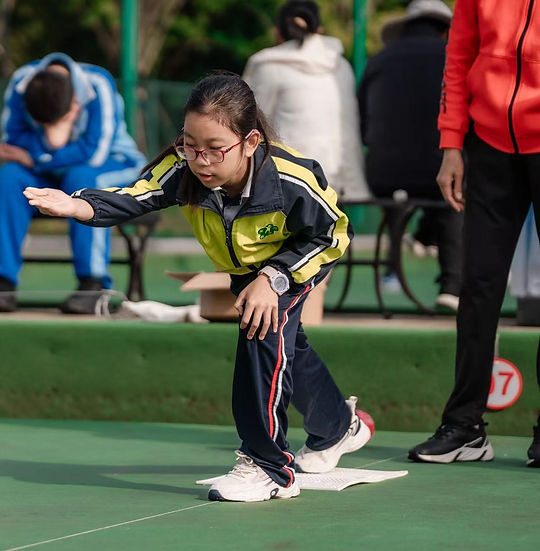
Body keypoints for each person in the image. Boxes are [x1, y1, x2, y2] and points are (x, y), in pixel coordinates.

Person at [25, 73, 369, 502]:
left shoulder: (289, 178)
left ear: (250, 141)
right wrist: (78, 204)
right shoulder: (183, 167)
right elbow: (139, 193)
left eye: (214, 149)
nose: (200, 160)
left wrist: (274, 276)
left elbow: (333, 235)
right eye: (190, 144)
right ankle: (338, 425)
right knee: (288, 346)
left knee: (261, 328)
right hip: (244, 269)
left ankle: (268, 466)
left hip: (294, 263)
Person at [409, 0, 540, 468]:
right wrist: (451, 144)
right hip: (488, 144)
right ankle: (464, 426)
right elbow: (459, 56)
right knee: (478, 285)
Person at [0, 52, 145, 314]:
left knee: (82, 179)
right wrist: (52, 143)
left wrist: (40, 152)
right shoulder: (20, 82)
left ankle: (92, 283)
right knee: (7, 178)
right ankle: (2, 283)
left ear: (74, 103)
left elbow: (93, 152)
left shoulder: (98, 85)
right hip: (49, 168)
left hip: (113, 163)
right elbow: (11, 142)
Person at [358, 0, 461, 310]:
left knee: (401, 198)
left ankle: (393, 267)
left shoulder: (379, 61)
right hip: (440, 167)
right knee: (452, 193)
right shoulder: (454, 59)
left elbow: (364, 122)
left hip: (383, 172)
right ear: (446, 30)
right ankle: (452, 285)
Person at [242, 0, 368, 202]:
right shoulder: (341, 65)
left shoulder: (268, 65)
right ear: (319, 30)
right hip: (343, 179)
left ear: (278, 32)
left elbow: (251, 125)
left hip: (291, 178)